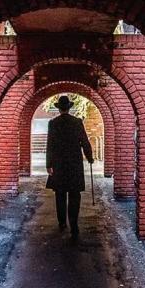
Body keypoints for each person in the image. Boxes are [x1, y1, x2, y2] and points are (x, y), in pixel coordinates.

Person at [45, 95, 94, 239]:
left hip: (59, 164)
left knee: (60, 194)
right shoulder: (77, 122)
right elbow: (84, 141)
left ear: (59, 109)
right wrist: (90, 157)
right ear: (69, 108)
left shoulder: (53, 123)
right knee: (74, 195)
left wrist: (49, 164)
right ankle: (74, 225)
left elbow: (50, 145)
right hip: (74, 164)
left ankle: (62, 223)